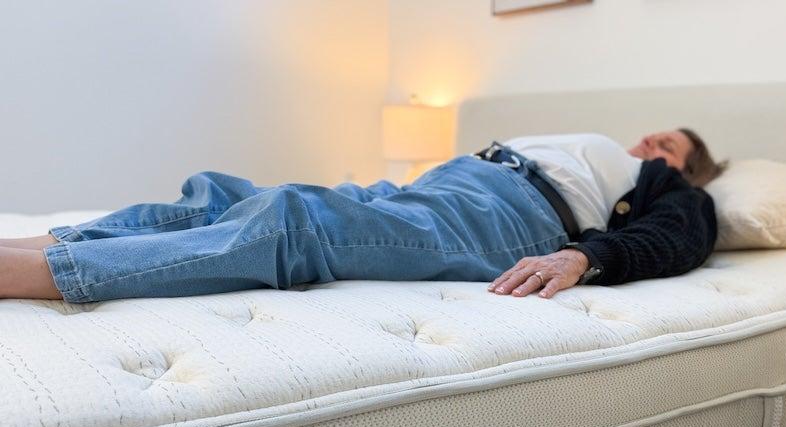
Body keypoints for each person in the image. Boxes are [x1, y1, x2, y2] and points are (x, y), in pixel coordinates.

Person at [0, 128, 726, 304]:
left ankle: (38, 273)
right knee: (222, 195)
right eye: (656, 136)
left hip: (513, 218)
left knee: (295, 221)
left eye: (671, 146)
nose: (653, 143)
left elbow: (673, 238)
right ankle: (49, 239)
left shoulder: (675, 192)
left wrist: (584, 258)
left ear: (685, 167)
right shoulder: (595, 142)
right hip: (457, 179)